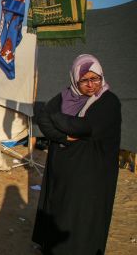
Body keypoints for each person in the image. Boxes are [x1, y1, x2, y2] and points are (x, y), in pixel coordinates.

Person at [32, 54, 121, 254]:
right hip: (63, 168)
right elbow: (43, 120)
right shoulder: (65, 96)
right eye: (84, 80)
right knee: (60, 209)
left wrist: (55, 116)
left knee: (82, 215)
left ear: (102, 76)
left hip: (91, 171)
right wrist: (62, 138)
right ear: (75, 79)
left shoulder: (108, 101)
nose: (90, 85)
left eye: (95, 78)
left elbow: (85, 127)